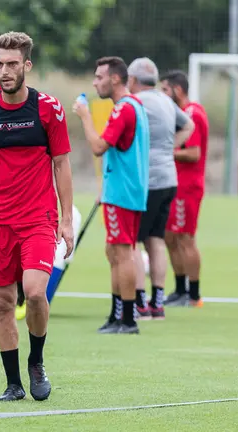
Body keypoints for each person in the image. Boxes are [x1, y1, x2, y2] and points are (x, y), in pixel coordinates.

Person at [0, 32, 74, 402]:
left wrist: (66, 218)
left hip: (38, 217)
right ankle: (13, 383)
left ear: (27, 65)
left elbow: (62, 163)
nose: (4, 71)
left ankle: (36, 361)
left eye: (11, 64)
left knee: (35, 293)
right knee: (4, 302)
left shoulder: (48, 108)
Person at [72, 56, 150, 335]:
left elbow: (98, 146)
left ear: (115, 78)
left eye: (99, 77)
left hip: (123, 192)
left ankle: (127, 319)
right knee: (115, 251)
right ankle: (118, 316)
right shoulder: (135, 106)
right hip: (124, 190)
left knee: (122, 252)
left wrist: (85, 116)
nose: (95, 83)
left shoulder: (124, 110)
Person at [125, 58, 195, 320]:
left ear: (132, 79)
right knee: (155, 239)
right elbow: (189, 125)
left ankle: (140, 303)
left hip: (148, 180)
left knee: (131, 241)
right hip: (169, 178)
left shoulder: (137, 102)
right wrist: (170, 149)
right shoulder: (165, 100)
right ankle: (157, 303)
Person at [160, 70, 209, 308]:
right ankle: (180, 290)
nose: (162, 94)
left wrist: (166, 152)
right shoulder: (182, 113)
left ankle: (194, 294)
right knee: (170, 236)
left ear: (177, 90)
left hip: (187, 187)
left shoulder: (192, 114)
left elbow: (194, 152)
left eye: (165, 90)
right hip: (175, 184)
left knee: (186, 238)